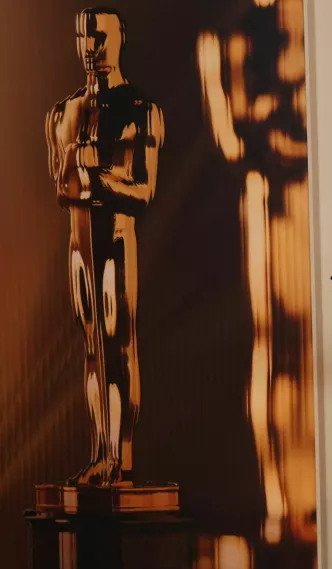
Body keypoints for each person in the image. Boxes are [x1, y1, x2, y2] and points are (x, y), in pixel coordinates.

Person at [46, 7, 165, 486]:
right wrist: (83, 177)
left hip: (116, 237)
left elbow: (144, 190)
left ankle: (119, 456)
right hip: (79, 242)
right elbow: (59, 186)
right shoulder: (64, 112)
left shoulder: (139, 109)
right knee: (92, 349)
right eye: (83, 37)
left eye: (99, 37)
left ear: (119, 39)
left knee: (116, 346)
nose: (90, 48)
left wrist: (95, 175)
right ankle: (100, 450)